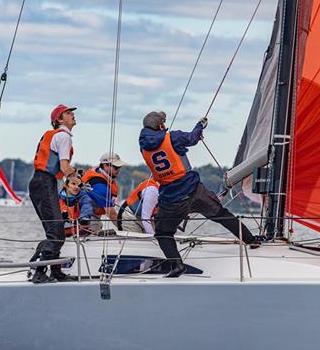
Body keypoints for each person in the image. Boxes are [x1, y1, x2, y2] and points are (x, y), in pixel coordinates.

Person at [139, 111, 259, 278]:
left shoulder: (143, 147)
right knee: (221, 215)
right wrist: (200, 126)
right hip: (194, 190)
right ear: (160, 126)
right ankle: (251, 240)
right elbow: (193, 138)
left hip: (171, 198)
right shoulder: (172, 137)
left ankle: (177, 265)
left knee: (163, 234)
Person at [29, 104, 78, 283]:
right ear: (59, 120)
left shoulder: (54, 136)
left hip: (41, 182)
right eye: (68, 113)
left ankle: (55, 271)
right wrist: (77, 179)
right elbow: (65, 167)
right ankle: (40, 273)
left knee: (56, 231)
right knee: (57, 231)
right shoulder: (64, 136)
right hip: (44, 183)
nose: (72, 115)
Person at [79, 152, 125, 234]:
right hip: (87, 221)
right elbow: (112, 215)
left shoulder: (98, 174)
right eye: (116, 167)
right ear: (105, 165)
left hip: (92, 218)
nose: (118, 170)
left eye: (119, 167)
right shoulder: (101, 187)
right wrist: (126, 230)